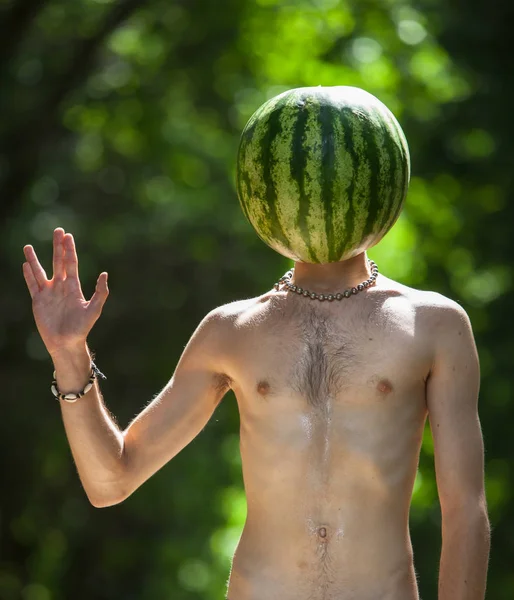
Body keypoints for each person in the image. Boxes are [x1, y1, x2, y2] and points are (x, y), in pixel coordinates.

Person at [22, 226, 490, 600]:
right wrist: (69, 355)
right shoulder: (231, 329)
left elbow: (466, 510)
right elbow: (110, 481)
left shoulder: (435, 325)